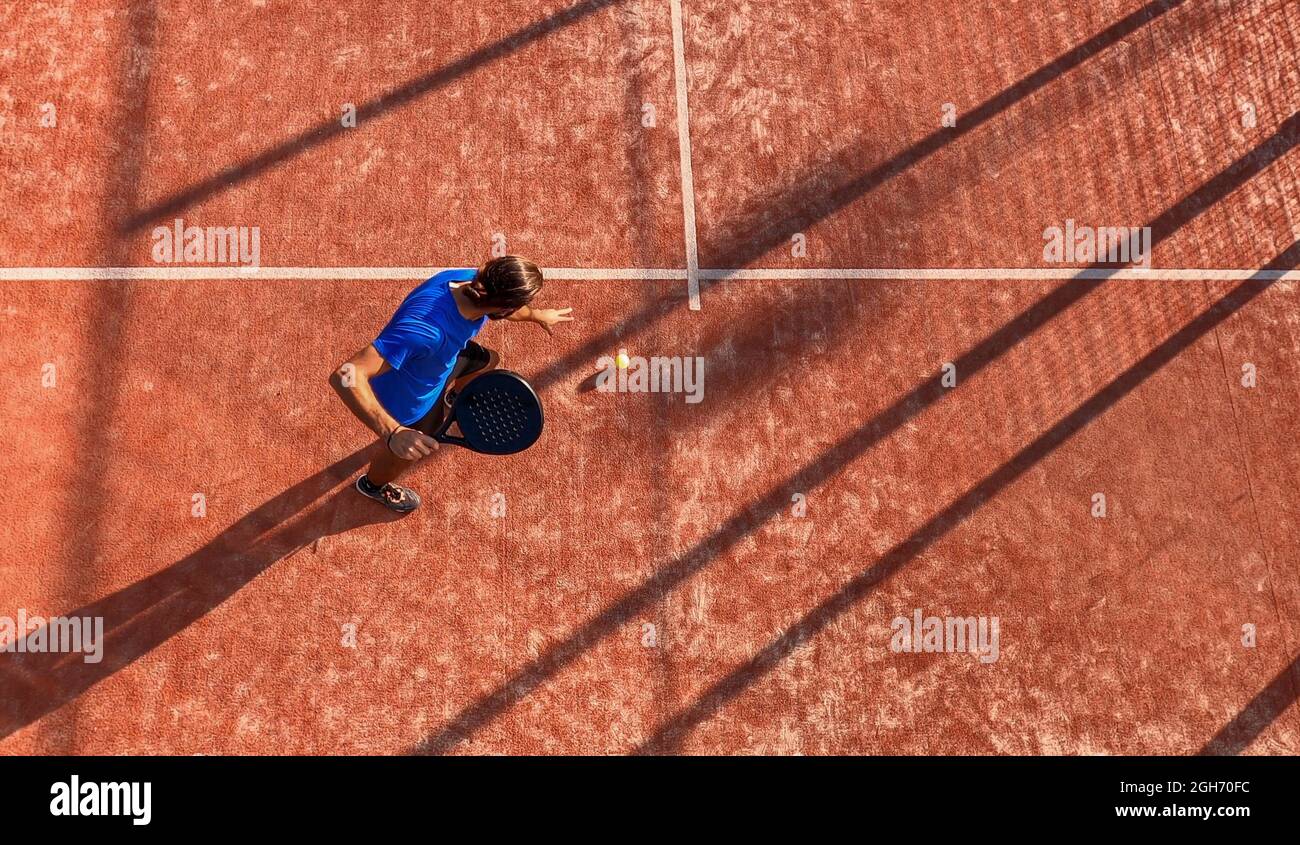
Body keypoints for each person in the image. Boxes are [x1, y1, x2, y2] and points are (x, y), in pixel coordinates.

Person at [330, 256, 572, 512]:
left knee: (487, 360)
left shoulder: (471, 280)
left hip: (442, 361)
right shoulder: (424, 332)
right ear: (504, 309)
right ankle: (373, 485)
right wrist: (393, 432)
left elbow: (506, 306)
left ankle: (454, 397)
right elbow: (345, 374)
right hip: (410, 401)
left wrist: (536, 315)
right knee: (404, 453)